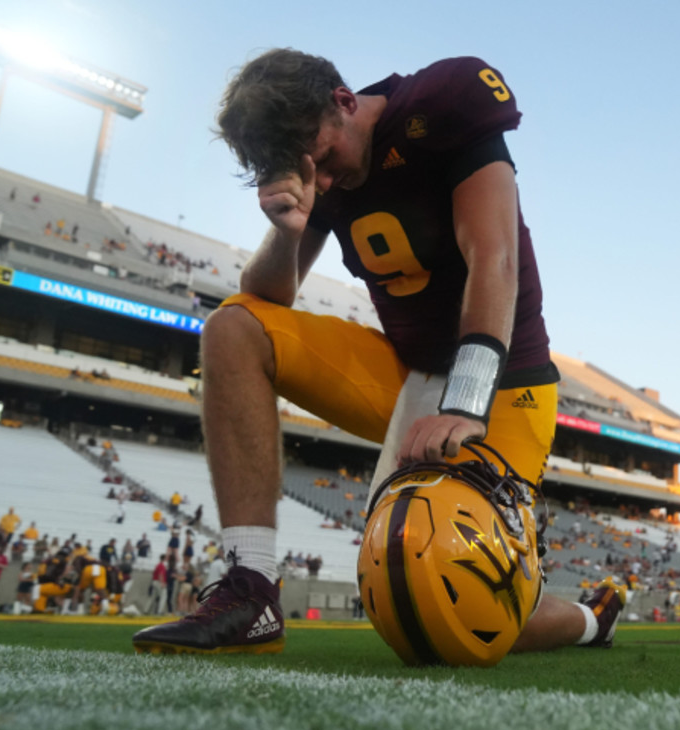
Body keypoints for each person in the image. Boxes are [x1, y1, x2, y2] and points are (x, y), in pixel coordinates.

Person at [132, 48, 624, 657]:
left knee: (446, 608)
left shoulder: (444, 99)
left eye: (327, 160)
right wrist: (286, 232)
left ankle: (588, 619)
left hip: (502, 381)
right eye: (312, 172)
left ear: (344, 100)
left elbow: (493, 258)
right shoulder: (319, 164)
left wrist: (466, 401)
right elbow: (267, 296)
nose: (328, 182)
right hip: (405, 375)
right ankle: (250, 589)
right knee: (232, 329)